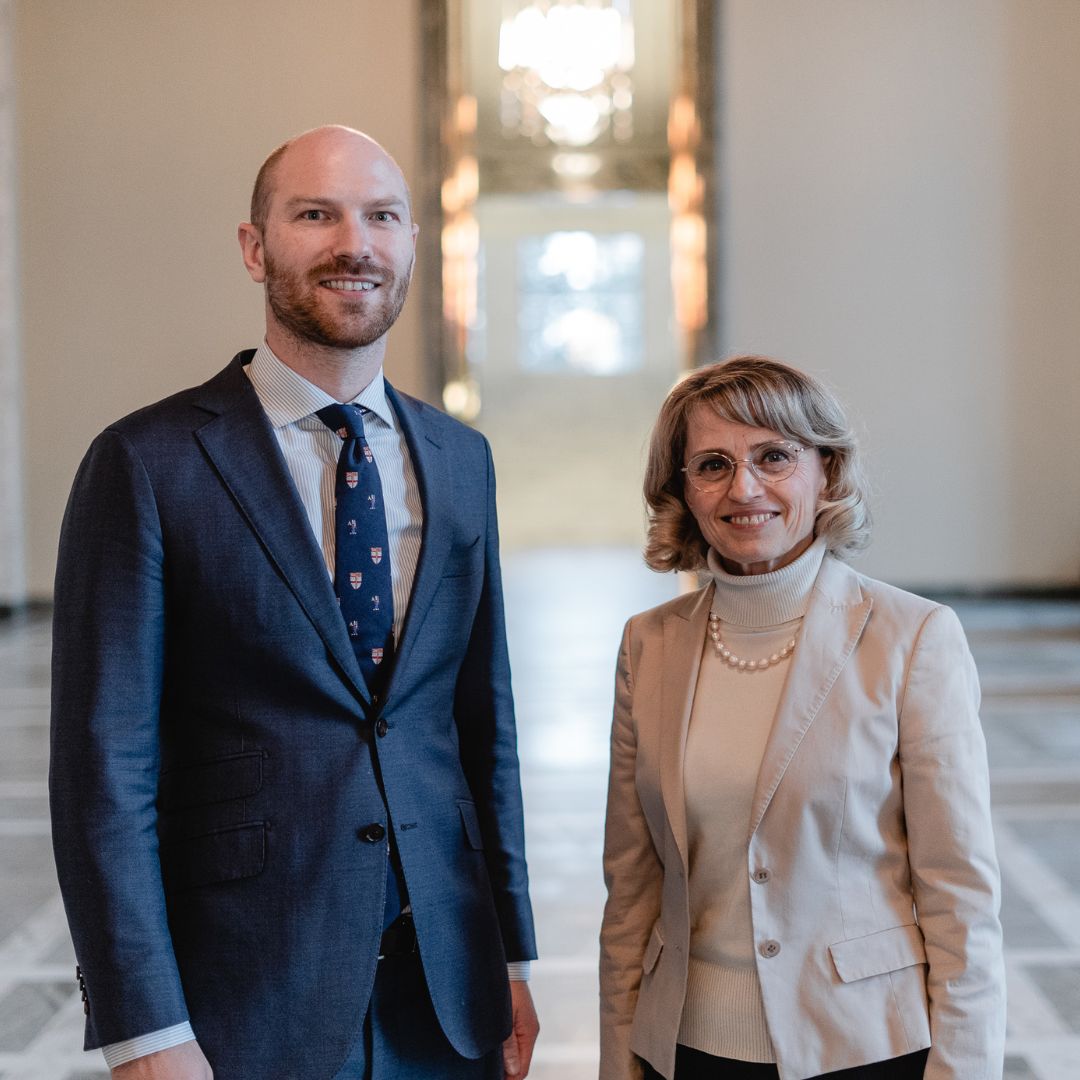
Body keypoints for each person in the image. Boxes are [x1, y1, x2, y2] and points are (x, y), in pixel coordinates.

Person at [50, 125, 539, 1080]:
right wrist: (144, 1030)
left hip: (443, 997)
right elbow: (103, 771)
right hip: (244, 995)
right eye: (315, 214)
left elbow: (485, 728)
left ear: (409, 246)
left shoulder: (460, 460)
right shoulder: (146, 463)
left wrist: (512, 956)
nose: (353, 242)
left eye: (382, 216)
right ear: (254, 247)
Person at [599, 356, 1005, 1080]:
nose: (743, 488)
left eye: (775, 457)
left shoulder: (913, 636)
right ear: (682, 490)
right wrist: (618, 1061)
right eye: (712, 464)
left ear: (827, 473)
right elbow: (630, 892)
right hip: (685, 1049)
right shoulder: (649, 643)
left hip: (863, 1046)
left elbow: (959, 891)